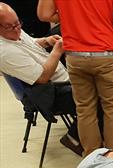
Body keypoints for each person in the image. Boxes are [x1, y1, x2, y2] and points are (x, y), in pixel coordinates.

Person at [37, 0, 113, 155]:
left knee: (84, 109)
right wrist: (106, 18)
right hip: (105, 54)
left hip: (75, 56)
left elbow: (44, 14)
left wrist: (70, 17)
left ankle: (91, 157)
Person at [0, 2, 83, 155]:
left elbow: (29, 43)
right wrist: (57, 51)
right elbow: (43, 77)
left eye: (18, 23)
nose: (17, 28)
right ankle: (74, 137)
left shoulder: (12, 30)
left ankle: (92, 134)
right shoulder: (4, 52)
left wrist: (45, 41)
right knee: (99, 93)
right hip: (48, 94)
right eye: (11, 26)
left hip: (58, 83)